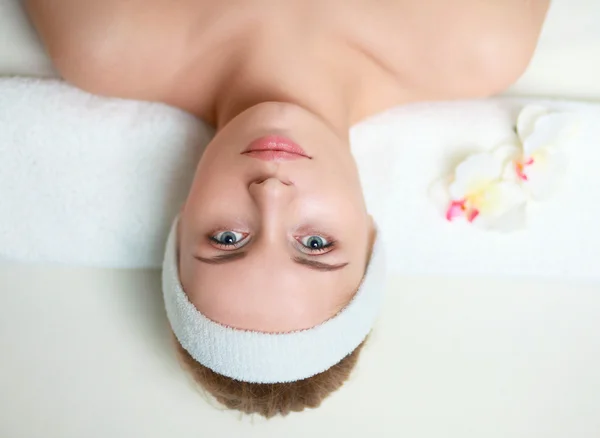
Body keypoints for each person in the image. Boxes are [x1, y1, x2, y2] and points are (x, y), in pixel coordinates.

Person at [26, 0, 550, 417]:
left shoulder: (105, 32)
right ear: (370, 236)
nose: (271, 193)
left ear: (182, 223)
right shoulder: (479, 38)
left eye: (227, 239)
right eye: (315, 244)